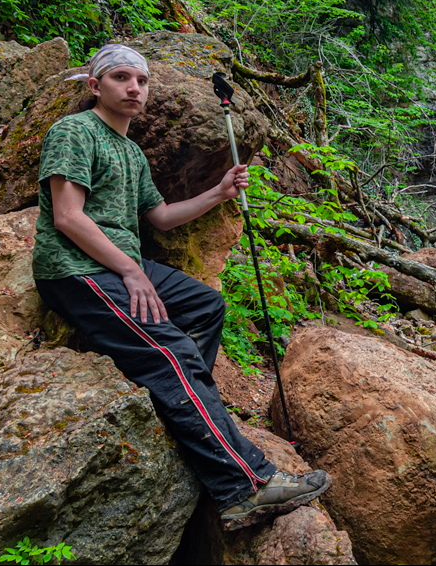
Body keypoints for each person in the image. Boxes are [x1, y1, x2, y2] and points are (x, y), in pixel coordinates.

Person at [32, 44, 329, 527]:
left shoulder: (130, 151)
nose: (134, 88)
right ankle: (242, 488)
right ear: (95, 86)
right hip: (76, 269)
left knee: (206, 306)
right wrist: (129, 271)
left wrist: (219, 191)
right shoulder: (74, 131)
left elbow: (162, 218)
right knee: (172, 351)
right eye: (121, 78)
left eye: (142, 81)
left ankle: (189, 407)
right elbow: (67, 217)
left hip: (122, 265)